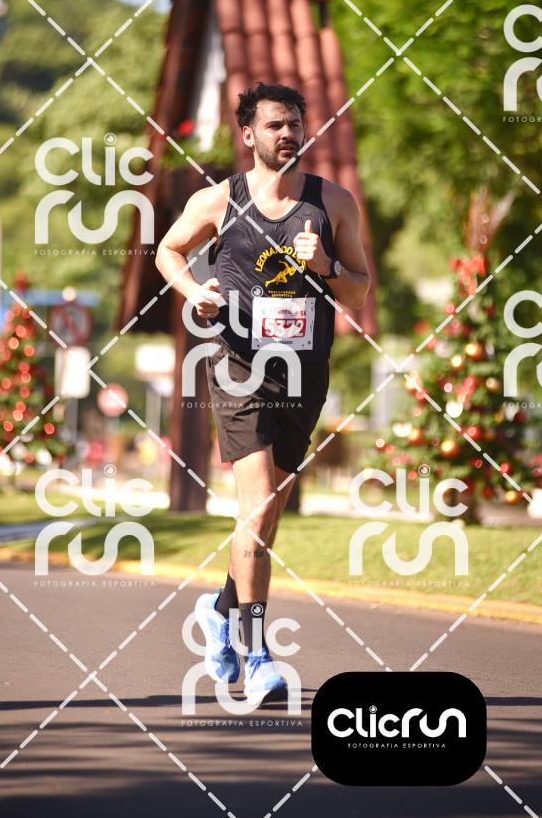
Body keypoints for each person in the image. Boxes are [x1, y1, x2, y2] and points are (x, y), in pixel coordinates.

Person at [156, 82, 370, 705]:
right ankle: (257, 656)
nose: (288, 134)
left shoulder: (333, 203)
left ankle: (220, 608)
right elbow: (168, 250)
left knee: (268, 516)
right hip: (240, 369)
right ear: (248, 135)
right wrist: (195, 291)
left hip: (304, 374)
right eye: (275, 124)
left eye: (295, 124)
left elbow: (359, 290)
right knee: (255, 509)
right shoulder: (218, 201)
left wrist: (325, 265)